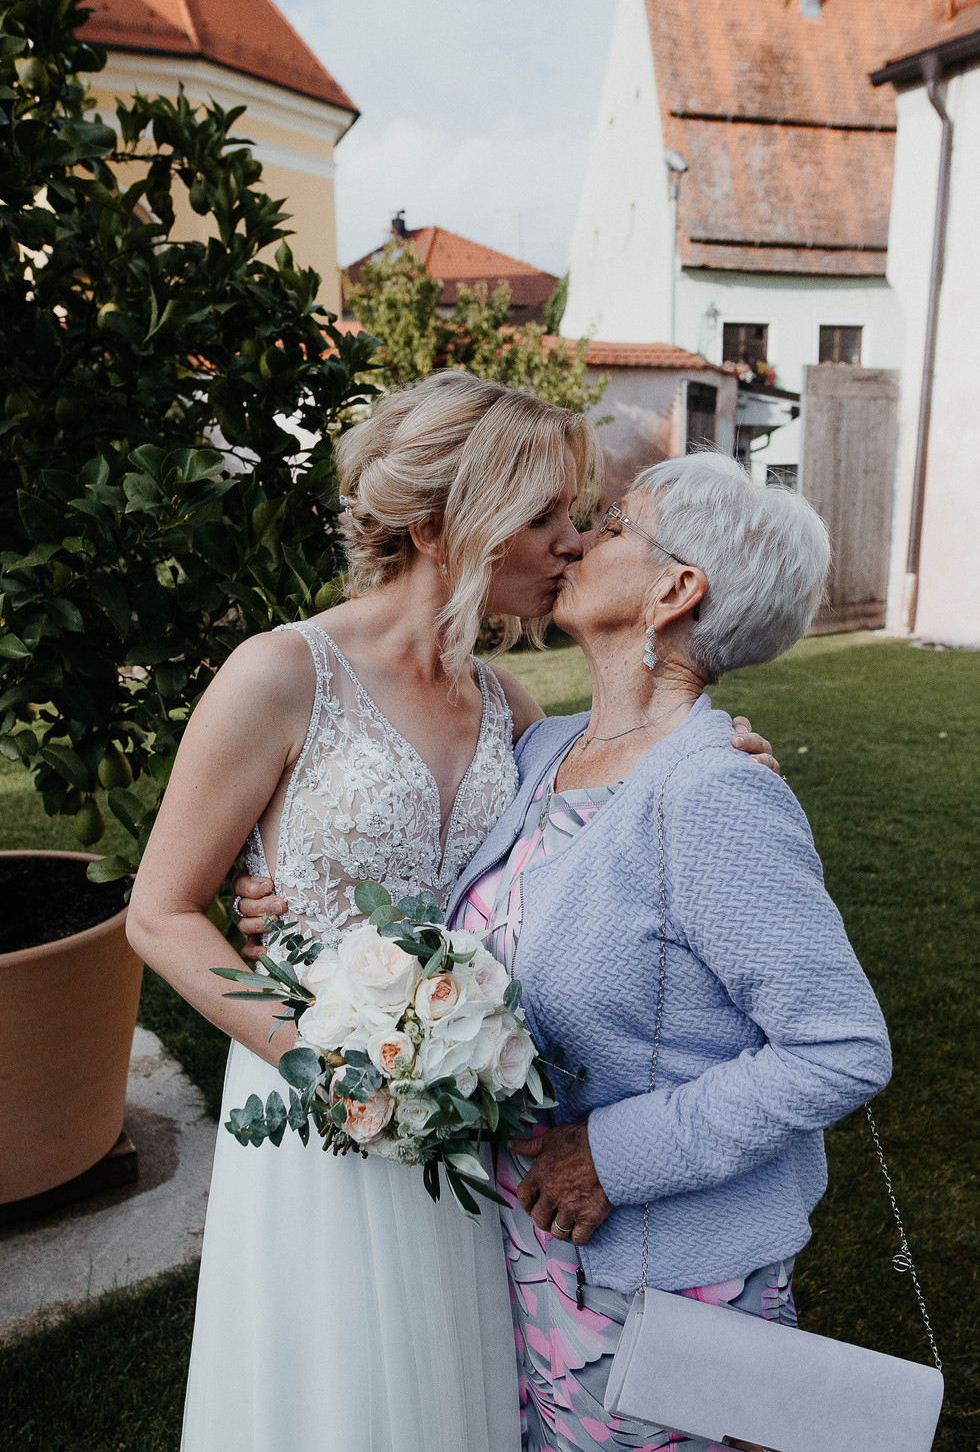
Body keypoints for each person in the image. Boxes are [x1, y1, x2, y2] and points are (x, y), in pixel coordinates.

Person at [128, 371, 778, 1452]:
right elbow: (158, 914)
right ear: (441, 527)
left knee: (455, 1389)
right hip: (316, 1108)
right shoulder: (279, 674)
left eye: (572, 515)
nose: (570, 542)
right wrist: (329, 1066)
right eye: (543, 516)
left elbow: (607, 791)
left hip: (466, 1119)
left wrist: (719, 745)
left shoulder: (505, 705)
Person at [442, 453, 893, 1452]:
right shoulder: (541, 751)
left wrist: (612, 1153)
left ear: (674, 588)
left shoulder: (714, 792)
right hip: (530, 1253)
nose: (578, 538)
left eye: (612, 524)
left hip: (658, 1281)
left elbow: (837, 1050)